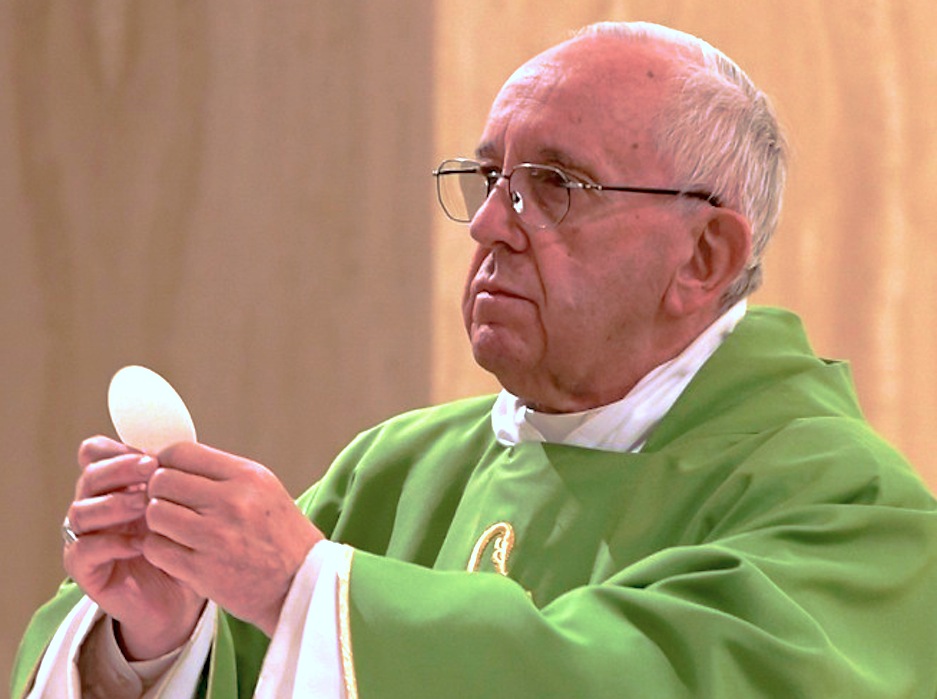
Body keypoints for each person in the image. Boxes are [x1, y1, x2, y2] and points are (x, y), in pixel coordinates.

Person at [12, 19, 937, 698]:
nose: (490, 223)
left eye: (555, 185)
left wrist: (307, 587)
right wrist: (160, 637)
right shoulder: (399, 470)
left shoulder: (846, 510)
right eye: (490, 177)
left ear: (703, 256)